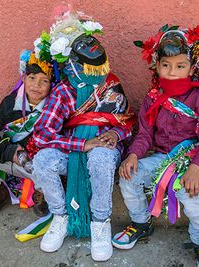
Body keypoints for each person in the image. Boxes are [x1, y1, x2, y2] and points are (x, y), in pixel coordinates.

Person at [112, 26, 199, 266]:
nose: (172, 72)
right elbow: (144, 134)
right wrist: (133, 155)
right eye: (166, 65)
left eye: (180, 66)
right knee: (129, 177)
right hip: (161, 158)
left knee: (191, 190)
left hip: (191, 160)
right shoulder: (153, 99)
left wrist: (196, 167)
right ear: (157, 65)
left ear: (192, 69)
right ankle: (141, 223)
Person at [32, 12, 135, 261]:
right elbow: (43, 134)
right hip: (72, 150)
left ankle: (100, 222)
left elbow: (128, 121)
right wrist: (81, 143)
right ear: (73, 67)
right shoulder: (64, 92)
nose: (97, 74)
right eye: (90, 69)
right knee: (43, 160)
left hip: (104, 150)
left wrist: (115, 132)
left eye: (100, 68)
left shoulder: (111, 85)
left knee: (100, 156)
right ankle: (61, 216)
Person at [0, 41, 56, 221]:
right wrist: (8, 152)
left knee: (51, 168)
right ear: (23, 78)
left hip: (34, 166)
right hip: (9, 159)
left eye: (43, 81)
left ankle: (41, 194)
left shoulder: (54, 108)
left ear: (51, 85)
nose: (36, 85)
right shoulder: (11, 103)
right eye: (31, 78)